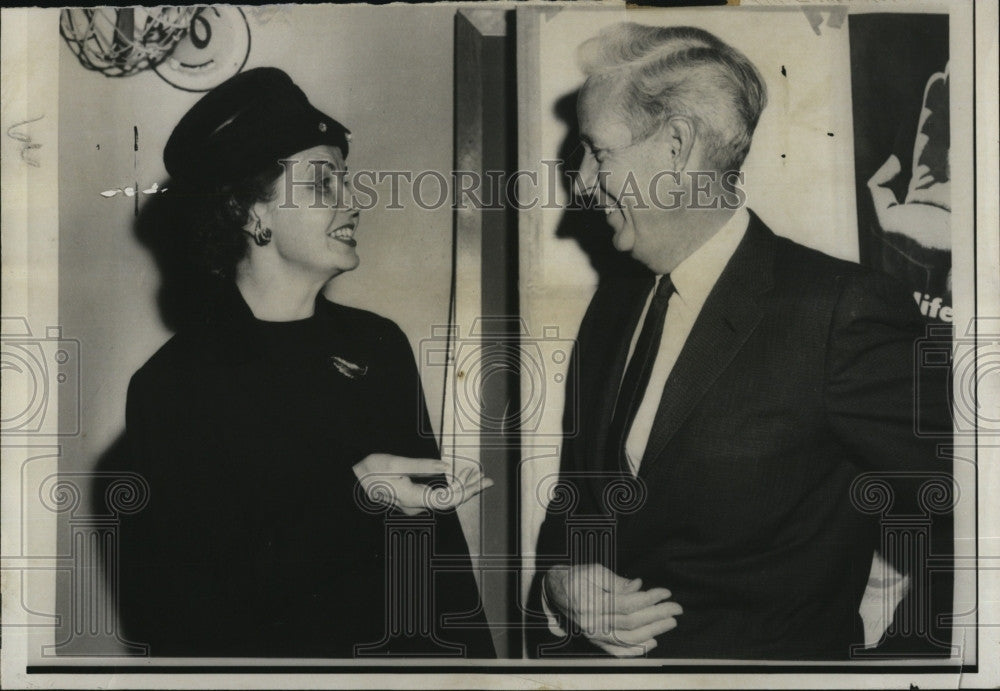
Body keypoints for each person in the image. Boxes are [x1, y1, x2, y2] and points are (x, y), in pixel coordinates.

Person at [528, 23, 952, 660]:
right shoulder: (614, 306)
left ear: (675, 144)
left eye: (597, 151)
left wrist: (904, 666)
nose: (582, 181)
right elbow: (577, 504)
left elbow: (977, 513)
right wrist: (559, 590)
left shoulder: (840, 312)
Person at [115, 67, 495, 658]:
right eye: (323, 184)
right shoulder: (174, 388)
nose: (353, 203)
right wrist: (356, 499)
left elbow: (441, 562)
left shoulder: (379, 347)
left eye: (345, 180)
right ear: (250, 213)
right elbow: (195, 616)